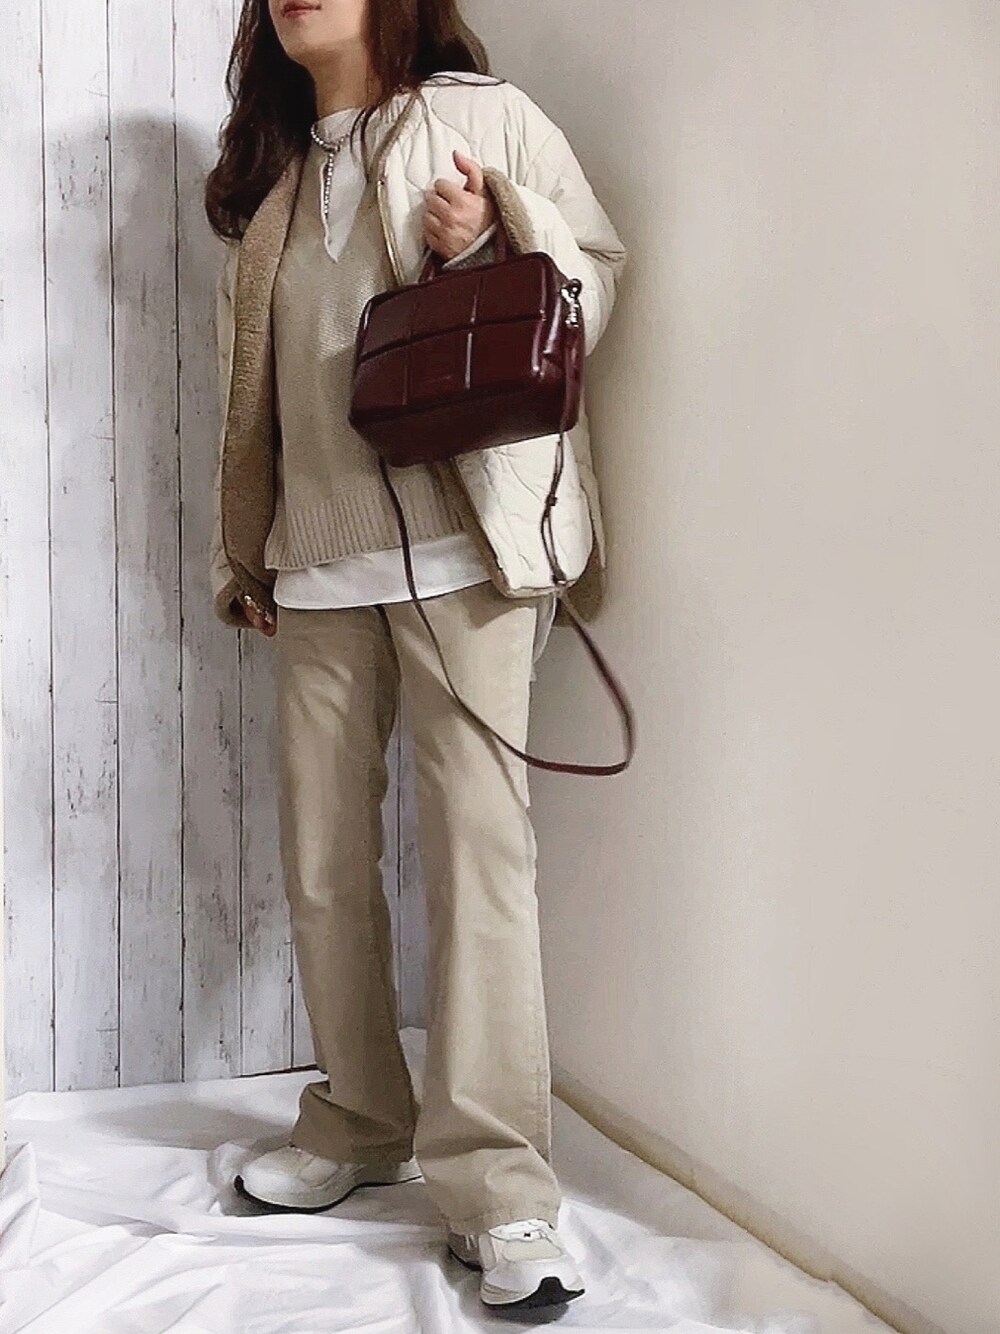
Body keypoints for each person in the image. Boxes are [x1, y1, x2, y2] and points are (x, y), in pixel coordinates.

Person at [204, 0, 626, 1311]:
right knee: (323, 860)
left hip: (462, 552)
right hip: (317, 564)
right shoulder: (279, 185)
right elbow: (255, 408)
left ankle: (500, 1190)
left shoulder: (487, 119)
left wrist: (495, 229)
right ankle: (359, 1121)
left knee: (478, 859)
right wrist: (246, 558)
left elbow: (597, 278)